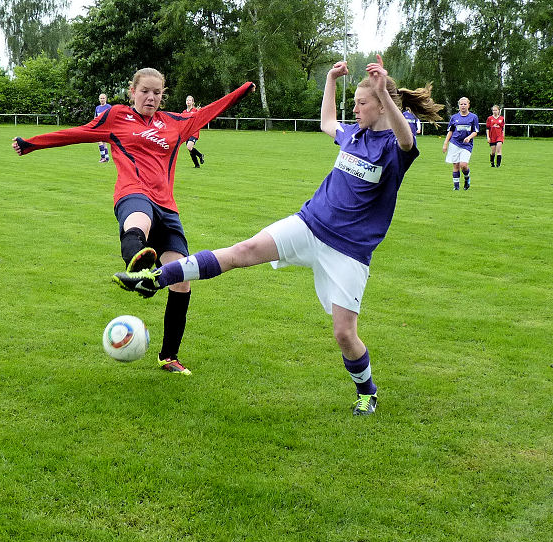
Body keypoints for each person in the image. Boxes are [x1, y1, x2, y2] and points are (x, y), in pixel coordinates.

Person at [113, 56, 443, 415]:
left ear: (381, 104)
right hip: (308, 224)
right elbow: (327, 122)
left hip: (349, 250)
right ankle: (154, 277)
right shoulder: (353, 134)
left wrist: (383, 93)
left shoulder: (394, 146)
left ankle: (367, 391)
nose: (355, 109)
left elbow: (407, 140)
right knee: (243, 250)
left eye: (362, 103)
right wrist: (331, 79)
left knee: (344, 334)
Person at [12, 68, 255, 375]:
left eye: (157, 92)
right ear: (132, 91)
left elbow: (209, 111)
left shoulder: (175, 123)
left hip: (168, 207)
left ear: (162, 94)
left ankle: (169, 357)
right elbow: (77, 133)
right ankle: (138, 270)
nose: (151, 97)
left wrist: (241, 91)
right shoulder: (115, 116)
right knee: (138, 222)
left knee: (182, 280)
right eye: (145, 91)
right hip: (133, 194)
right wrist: (32, 143)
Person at [442, 97, 479, 190]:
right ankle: (456, 187)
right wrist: (445, 143)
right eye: (461, 104)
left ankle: (467, 178)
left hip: (467, 145)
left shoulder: (473, 117)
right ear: (459, 105)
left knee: (463, 165)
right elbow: (450, 131)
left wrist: (469, 137)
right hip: (455, 143)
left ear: (468, 105)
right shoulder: (454, 117)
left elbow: (475, 131)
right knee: (456, 165)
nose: (463, 106)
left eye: (465, 104)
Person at [182, 95, 205, 168]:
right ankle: (197, 165)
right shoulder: (184, 112)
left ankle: (200, 155)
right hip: (187, 132)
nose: (188, 101)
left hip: (194, 131)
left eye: (190, 100)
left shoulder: (195, 110)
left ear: (193, 102)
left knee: (189, 147)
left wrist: (200, 111)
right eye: (187, 100)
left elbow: (201, 117)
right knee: (190, 149)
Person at [95, 93, 112, 162]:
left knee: (99, 141)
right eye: (101, 98)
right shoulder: (97, 108)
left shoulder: (109, 107)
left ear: (106, 99)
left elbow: (111, 116)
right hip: (99, 126)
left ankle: (103, 157)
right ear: (99, 99)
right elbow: (95, 117)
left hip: (105, 127)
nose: (102, 100)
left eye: (103, 98)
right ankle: (107, 157)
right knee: (104, 142)